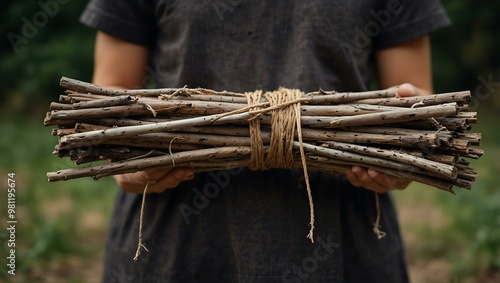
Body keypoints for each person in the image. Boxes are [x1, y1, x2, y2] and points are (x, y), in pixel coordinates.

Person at [80, 1, 450, 282]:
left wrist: (404, 151)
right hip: (171, 240)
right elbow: (113, 91)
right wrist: (125, 164)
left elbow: (415, 100)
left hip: (342, 240)